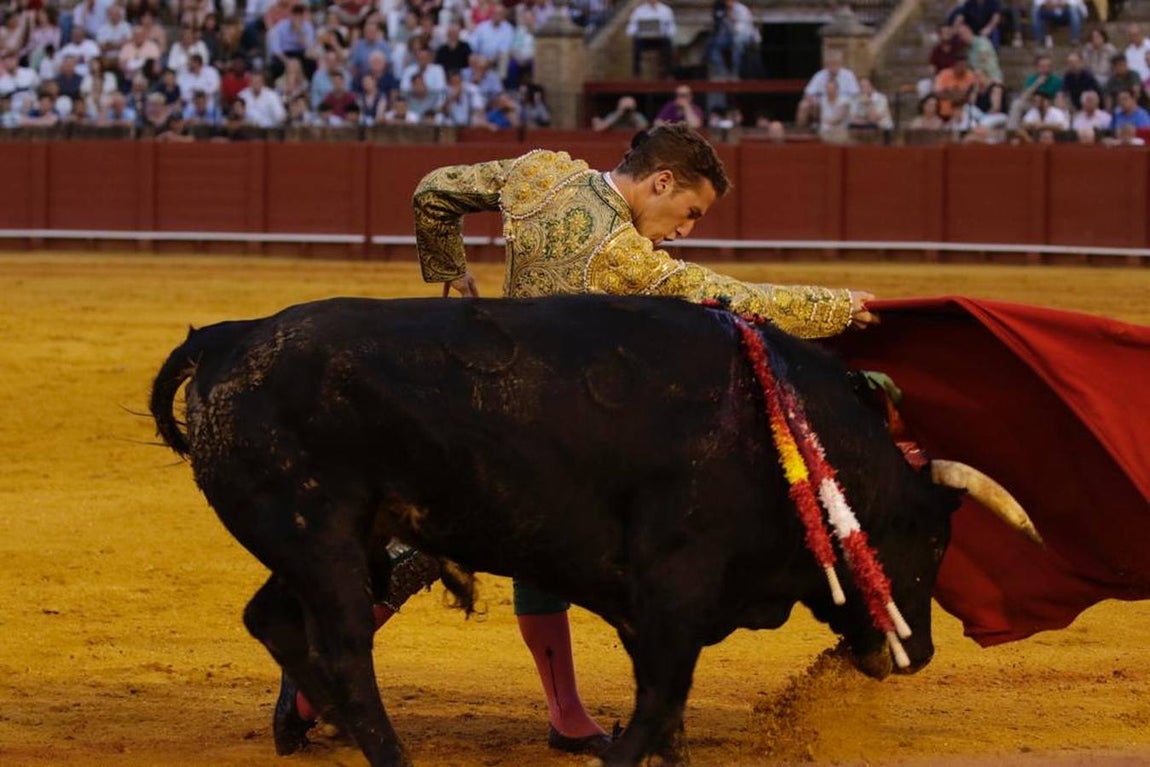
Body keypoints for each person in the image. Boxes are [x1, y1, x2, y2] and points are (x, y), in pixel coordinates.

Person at [271, 123, 878, 757]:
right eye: (689, 212)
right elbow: (721, 296)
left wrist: (451, 276)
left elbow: (434, 191)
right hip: (537, 429)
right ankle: (311, 687)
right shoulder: (620, 254)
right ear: (661, 181)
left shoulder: (543, 174)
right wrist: (830, 306)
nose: (686, 231)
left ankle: (562, 715)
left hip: (485, 403)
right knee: (438, 550)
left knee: (488, 552)